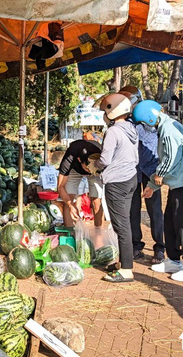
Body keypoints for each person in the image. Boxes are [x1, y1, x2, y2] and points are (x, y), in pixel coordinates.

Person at [132, 100, 183, 282]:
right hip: (177, 184)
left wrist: (159, 176)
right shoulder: (166, 126)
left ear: (148, 119)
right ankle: (173, 260)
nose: (145, 126)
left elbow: (170, 157)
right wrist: (152, 186)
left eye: (144, 123)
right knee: (170, 222)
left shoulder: (168, 129)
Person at [96, 93, 140, 283]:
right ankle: (124, 262)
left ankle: (127, 270)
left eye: (105, 111)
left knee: (121, 225)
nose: (104, 116)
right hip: (131, 178)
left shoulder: (113, 132)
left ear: (112, 112)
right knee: (125, 223)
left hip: (116, 182)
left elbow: (105, 159)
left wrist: (94, 165)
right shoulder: (132, 128)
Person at [119, 86, 165, 264]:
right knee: (132, 210)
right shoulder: (126, 120)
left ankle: (160, 248)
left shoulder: (148, 117)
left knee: (155, 211)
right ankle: (136, 246)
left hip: (151, 170)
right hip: (132, 170)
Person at [56, 138, 104, 227]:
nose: (89, 171)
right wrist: (70, 205)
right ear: (79, 160)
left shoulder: (102, 158)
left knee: (97, 200)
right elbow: (60, 186)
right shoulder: (70, 157)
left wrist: (95, 169)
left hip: (97, 169)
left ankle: (99, 233)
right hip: (75, 169)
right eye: (87, 168)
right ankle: (69, 233)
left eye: (91, 169)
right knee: (68, 197)